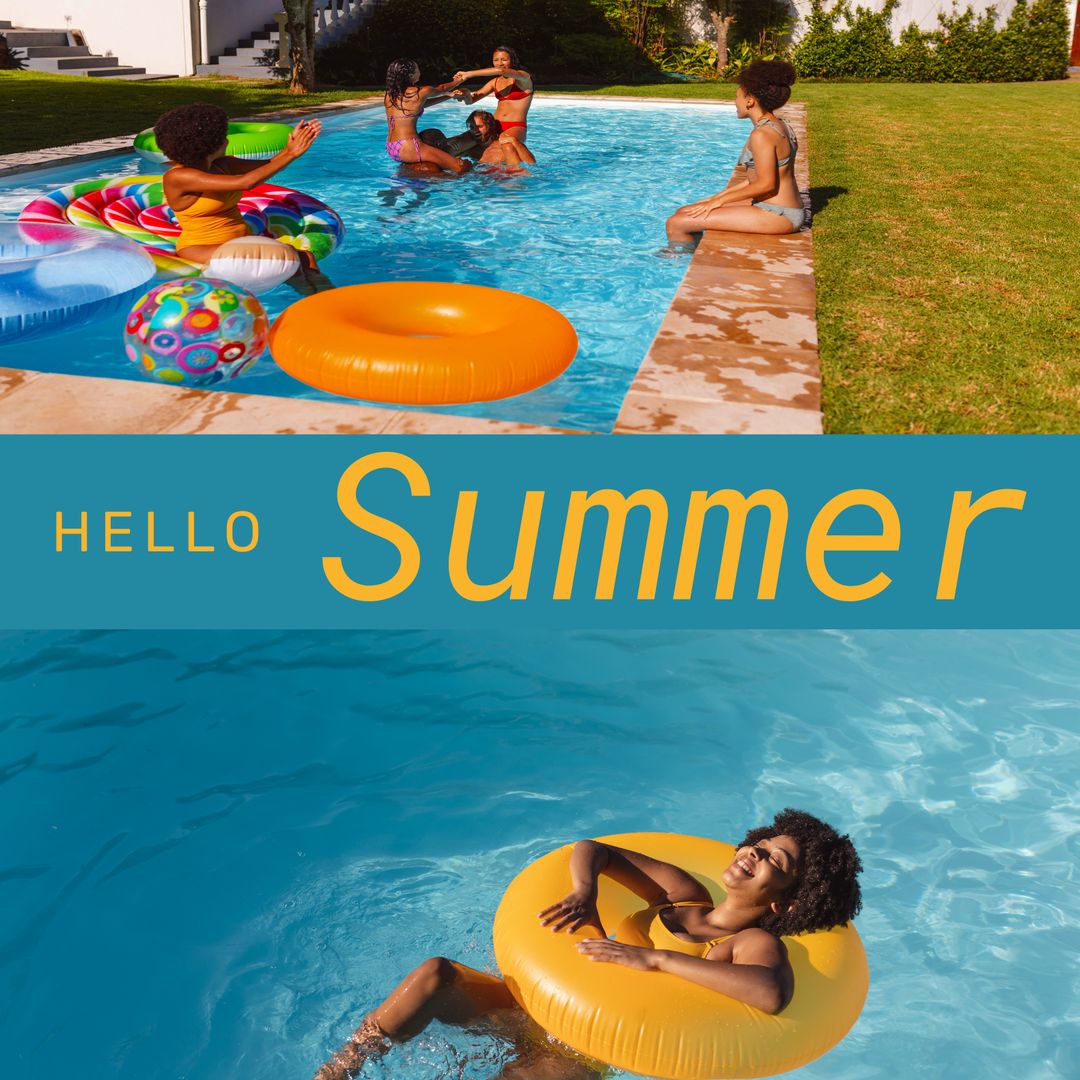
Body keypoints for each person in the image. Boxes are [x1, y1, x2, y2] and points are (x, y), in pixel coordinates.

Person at [313, 809, 862, 1080]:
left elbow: (769, 994)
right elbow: (592, 848)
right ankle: (338, 1071)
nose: (756, 853)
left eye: (775, 861)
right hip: (536, 1007)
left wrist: (653, 958)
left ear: (787, 902)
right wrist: (584, 892)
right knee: (436, 975)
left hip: (574, 1056)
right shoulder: (682, 896)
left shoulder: (749, 943)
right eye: (762, 843)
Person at [157, 103, 320, 266]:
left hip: (241, 242)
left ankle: (326, 292)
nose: (227, 141)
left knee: (305, 259)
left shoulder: (222, 164)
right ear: (208, 145)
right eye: (222, 138)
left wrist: (292, 146)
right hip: (201, 248)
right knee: (297, 257)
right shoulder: (179, 176)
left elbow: (267, 165)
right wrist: (291, 154)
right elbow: (246, 182)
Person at [666, 60, 808, 246]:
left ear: (750, 101)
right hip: (779, 208)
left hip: (779, 214)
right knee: (685, 211)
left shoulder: (762, 134)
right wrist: (715, 198)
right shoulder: (779, 124)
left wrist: (720, 201)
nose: (735, 102)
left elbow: (766, 185)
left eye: (737, 96)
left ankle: (679, 260)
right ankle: (694, 248)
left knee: (676, 223)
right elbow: (756, 179)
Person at [384, 58, 470, 174]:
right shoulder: (421, 91)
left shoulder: (390, 95)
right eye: (417, 69)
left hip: (391, 147)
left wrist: (450, 96)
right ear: (410, 75)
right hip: (408, 145)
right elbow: (442, 88)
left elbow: (421, 104)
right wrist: (458, 80)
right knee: (461, 166)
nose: (419, 71)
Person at [452, 46, 534, 144]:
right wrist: (465, 95)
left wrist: (468, 74)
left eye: (504, 60)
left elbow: (500, 70)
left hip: (515, 126)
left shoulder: (523, 77)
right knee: (457, 143)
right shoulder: (495, 82)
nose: (499, 63)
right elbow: (471, 100)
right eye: (496, 60)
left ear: (512, 60)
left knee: (505, 145)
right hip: (493, 124)